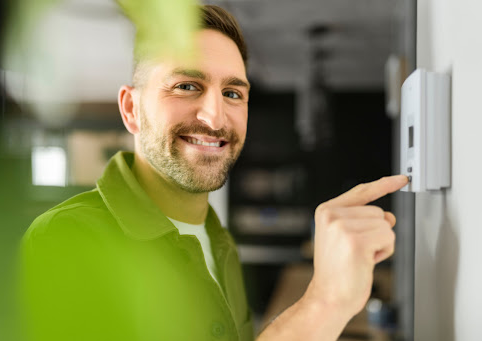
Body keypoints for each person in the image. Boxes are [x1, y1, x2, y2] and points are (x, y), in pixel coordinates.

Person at [21, 4, 409, 341]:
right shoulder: (67, 239)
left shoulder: (215, 236)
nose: (214, 116)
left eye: (233, 93)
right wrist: (325, 301)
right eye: (187, 85)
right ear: (131, 110)